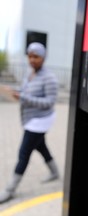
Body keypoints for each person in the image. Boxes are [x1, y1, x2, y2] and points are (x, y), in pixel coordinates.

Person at [0, 42, 59, 203]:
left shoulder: (49, 77)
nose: (32, 60)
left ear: (43, 57)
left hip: (40, 120)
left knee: (24, 153)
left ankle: (10, 190)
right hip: (30, 119)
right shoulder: (30, 74)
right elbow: (25, 92)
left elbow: (50, 101)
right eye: (30, 56)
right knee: (41, 147)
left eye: (36, 56)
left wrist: (23, 98)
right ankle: (55, 173)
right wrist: (15, 92)